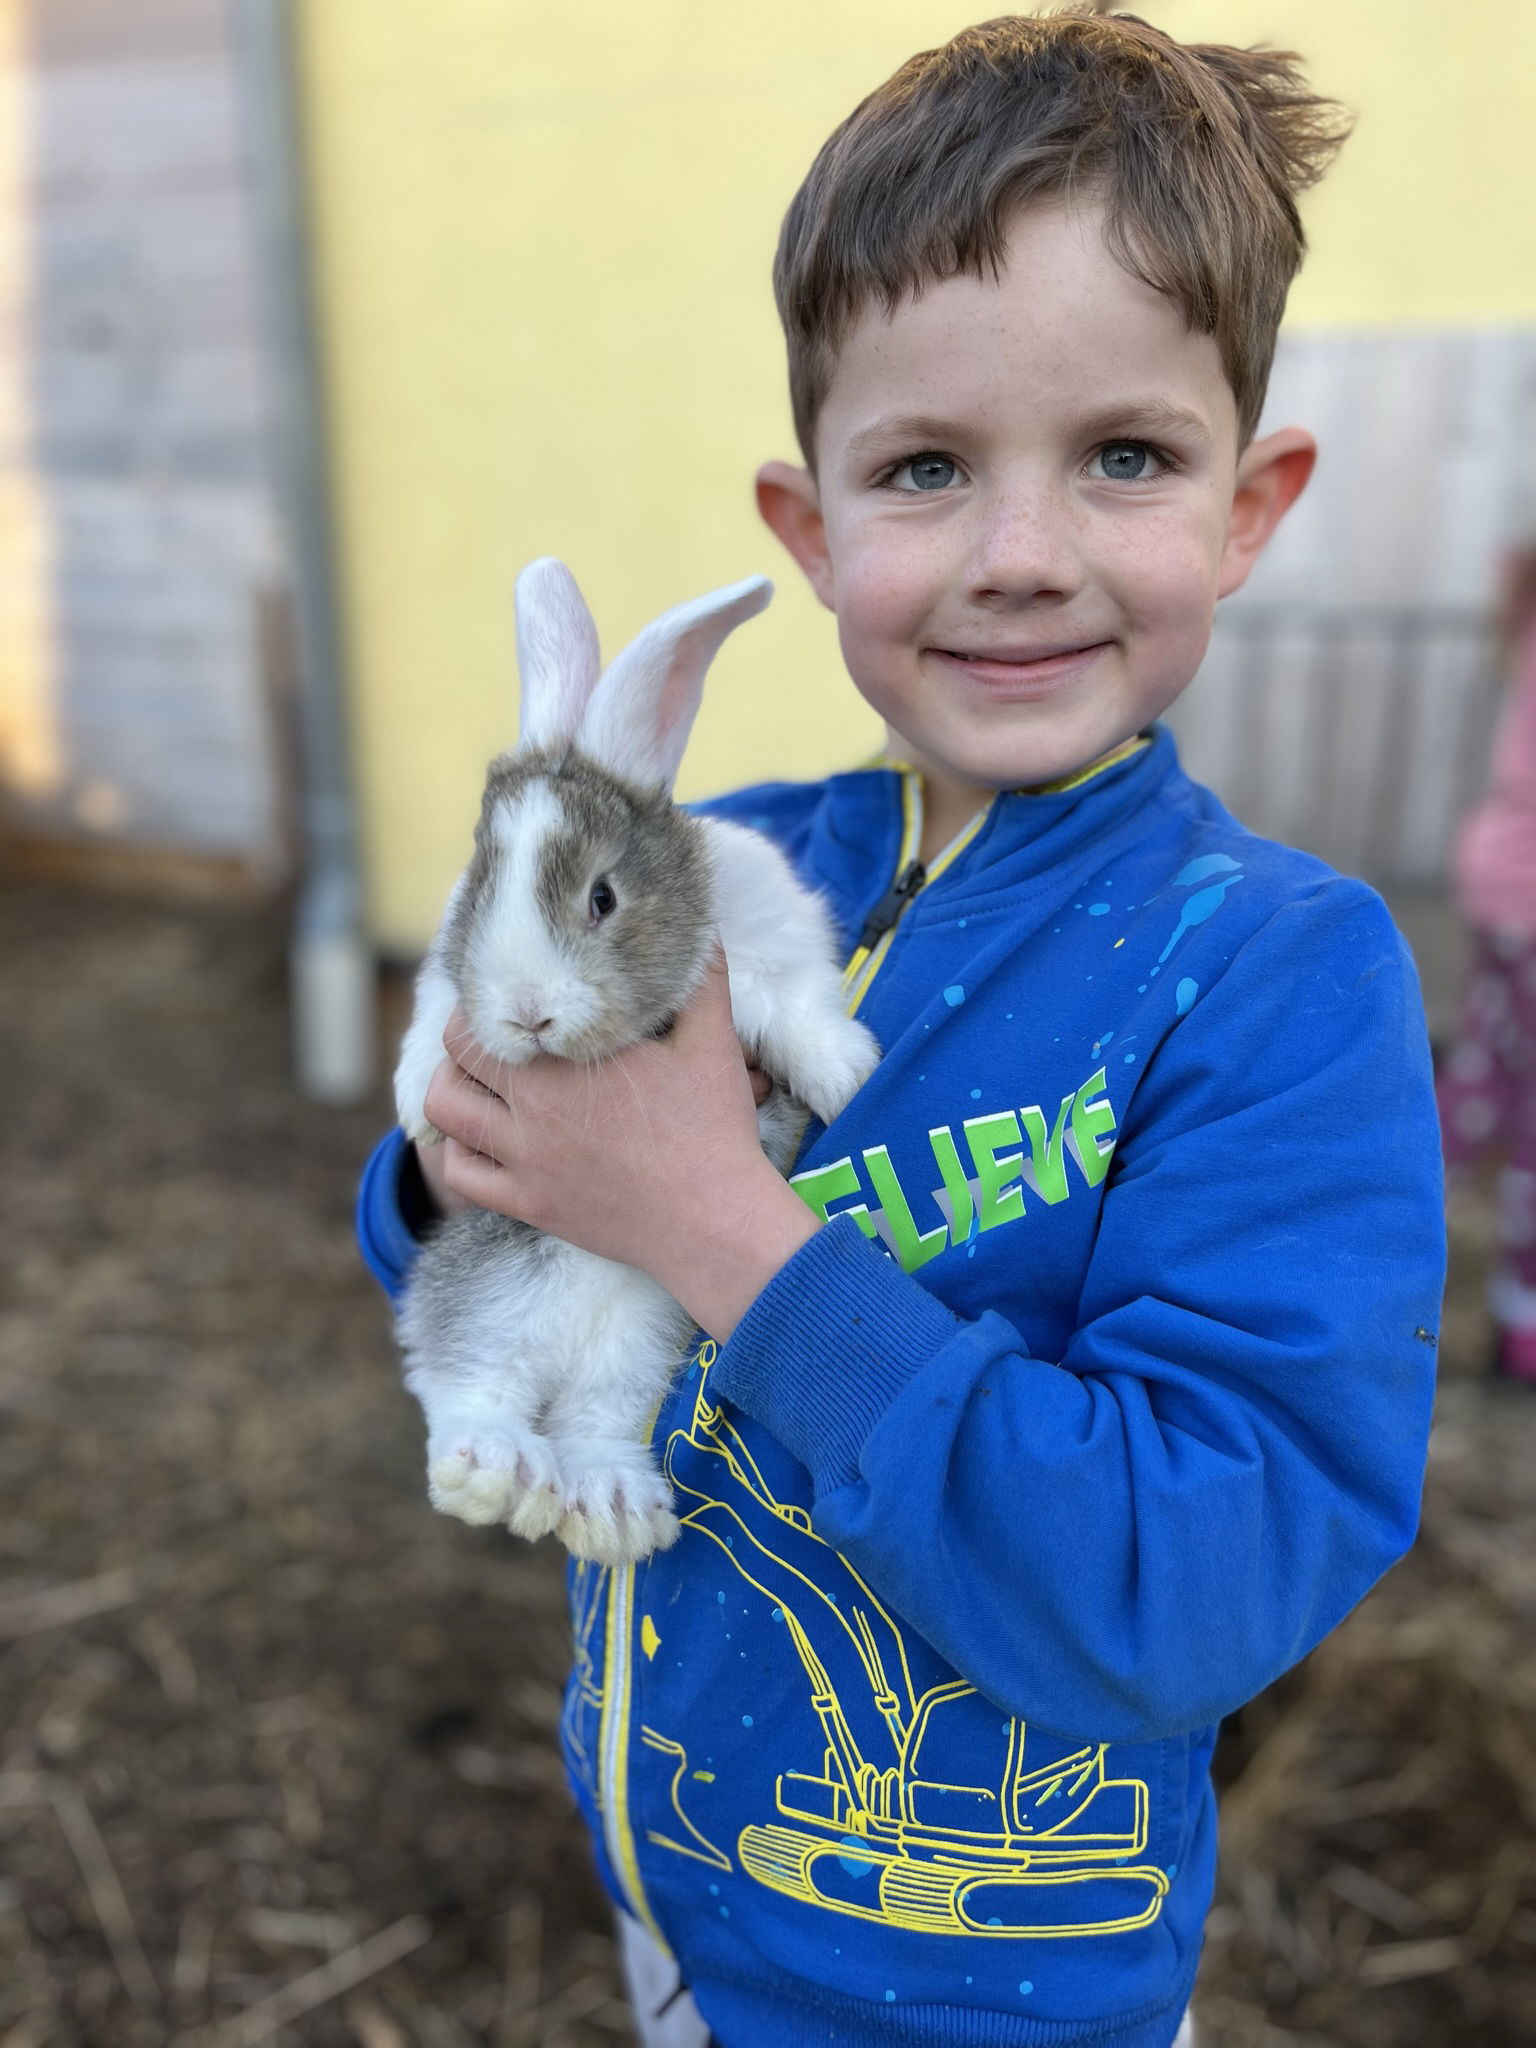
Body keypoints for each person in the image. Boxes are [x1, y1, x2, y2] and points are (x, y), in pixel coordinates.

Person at [356, 13, 1446, 2046]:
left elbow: (1190, 1575)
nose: (1021, 556)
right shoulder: (717, 863)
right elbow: (447, 1230)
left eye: (1125, 457)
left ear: (1249, 503)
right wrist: (461, 1152)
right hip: (682, 1893)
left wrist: (713, 1225)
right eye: (927, 469)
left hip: (993, 1977)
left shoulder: (1277, 979)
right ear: (809, 528)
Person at [1436, 544, 1536, 1384]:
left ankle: (1361, 1220)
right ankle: (1524, 1315)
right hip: (1526, 891)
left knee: (1487, 1075)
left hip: (1505, 883)